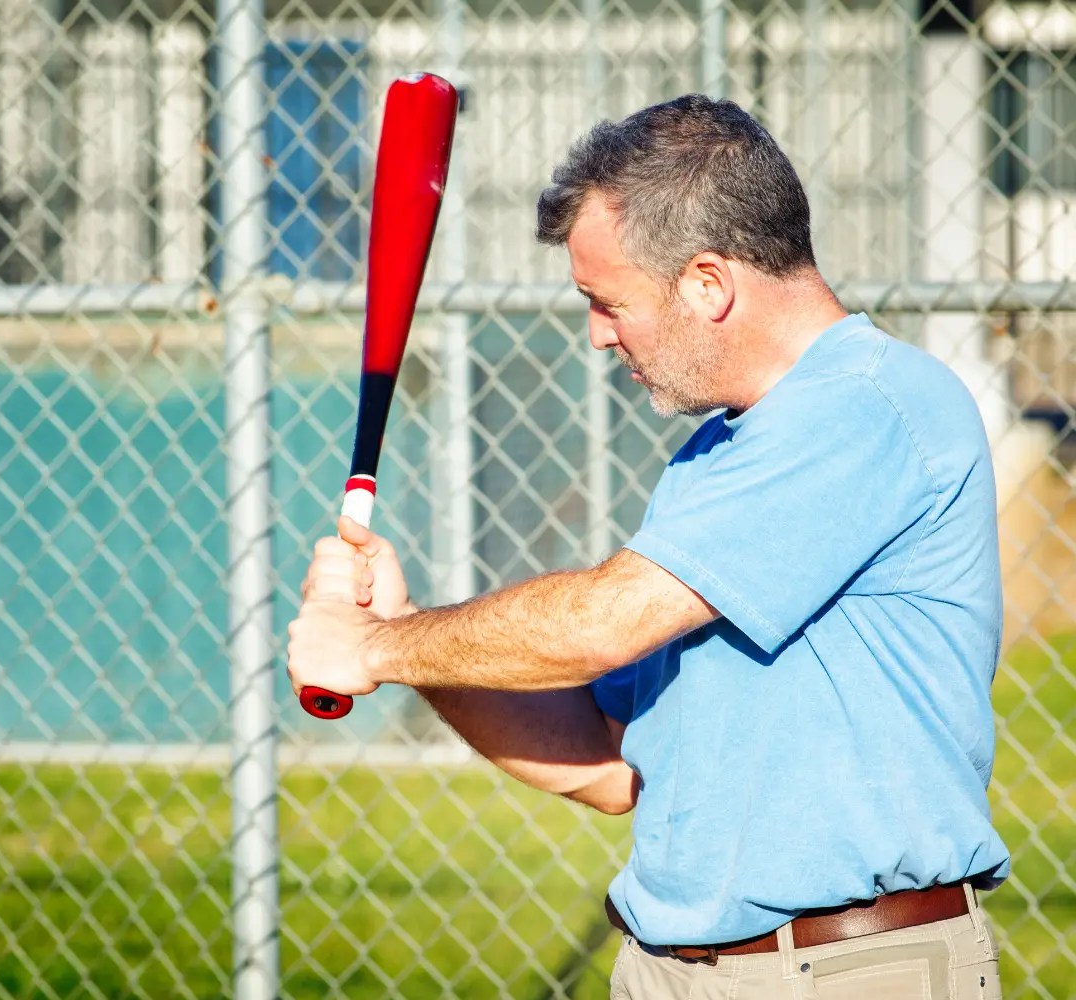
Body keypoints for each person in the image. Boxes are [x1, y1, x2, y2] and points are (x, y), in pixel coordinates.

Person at [288, 94, 1009, 998]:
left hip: (847, 970)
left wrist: (373, 649)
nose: (597, 333)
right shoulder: (717, 453)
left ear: (708, 282)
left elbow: (604, 622)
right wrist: (407, 639)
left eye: (606, 301)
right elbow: (604, 761)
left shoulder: (866, 407)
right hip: (670, 966)